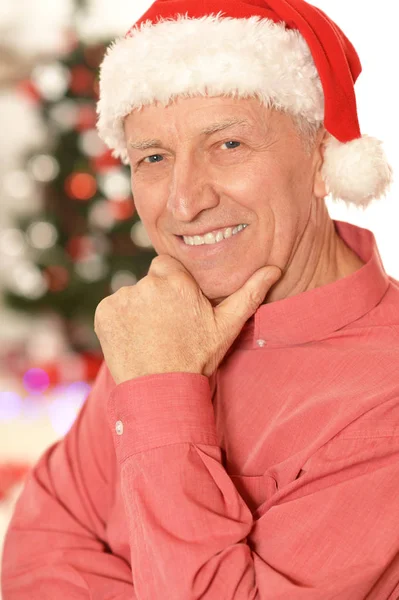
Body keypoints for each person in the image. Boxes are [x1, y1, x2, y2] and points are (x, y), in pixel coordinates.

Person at [2, 0, 398, 598]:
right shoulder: (161, 321)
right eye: (153, 158)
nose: (184, 201)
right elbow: (34, 556)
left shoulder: (386, 399)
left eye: (228, 144)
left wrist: (163, 389)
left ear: (322, 158)